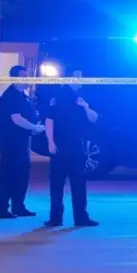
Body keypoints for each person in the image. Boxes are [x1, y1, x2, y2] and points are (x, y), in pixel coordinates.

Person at [44, 69, 100, 227]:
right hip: (60, 147)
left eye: (81, 77)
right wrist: (50, 141)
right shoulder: (58, 96)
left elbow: (94, 119)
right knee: (56, 184)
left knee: (79, 184)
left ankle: (81, 217)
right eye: (77, 77)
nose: (80, 79)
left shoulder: (83, 97)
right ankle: (55, 218)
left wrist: (86, 106)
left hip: (78, 147)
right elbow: (49, 120)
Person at [0, 65, 44, 219]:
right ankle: (2, 208)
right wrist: (35, 127)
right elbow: (16, 119)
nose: (26, 79)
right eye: (23, 76)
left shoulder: (23, 96)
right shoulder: (10, 96)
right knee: (8, 175)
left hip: (21, 142)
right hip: (10, 142)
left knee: (21, 174)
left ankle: (18, 206)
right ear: (15, 78)